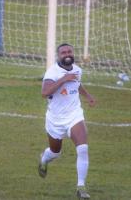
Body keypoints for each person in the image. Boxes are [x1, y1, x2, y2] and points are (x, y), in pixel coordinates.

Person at [38, 43, 96, 199]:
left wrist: (88, 96)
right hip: (55, 120)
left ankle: (81, 187)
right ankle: (44, 158)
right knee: (55, 152)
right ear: (59, 56)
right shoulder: (52, 72)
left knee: (83, 148)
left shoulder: (77, 70)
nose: (67, 54)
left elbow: (77, 85)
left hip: (74, 115)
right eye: (63, 52)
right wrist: (63, 79)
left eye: (69, 51)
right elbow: (44, 92)